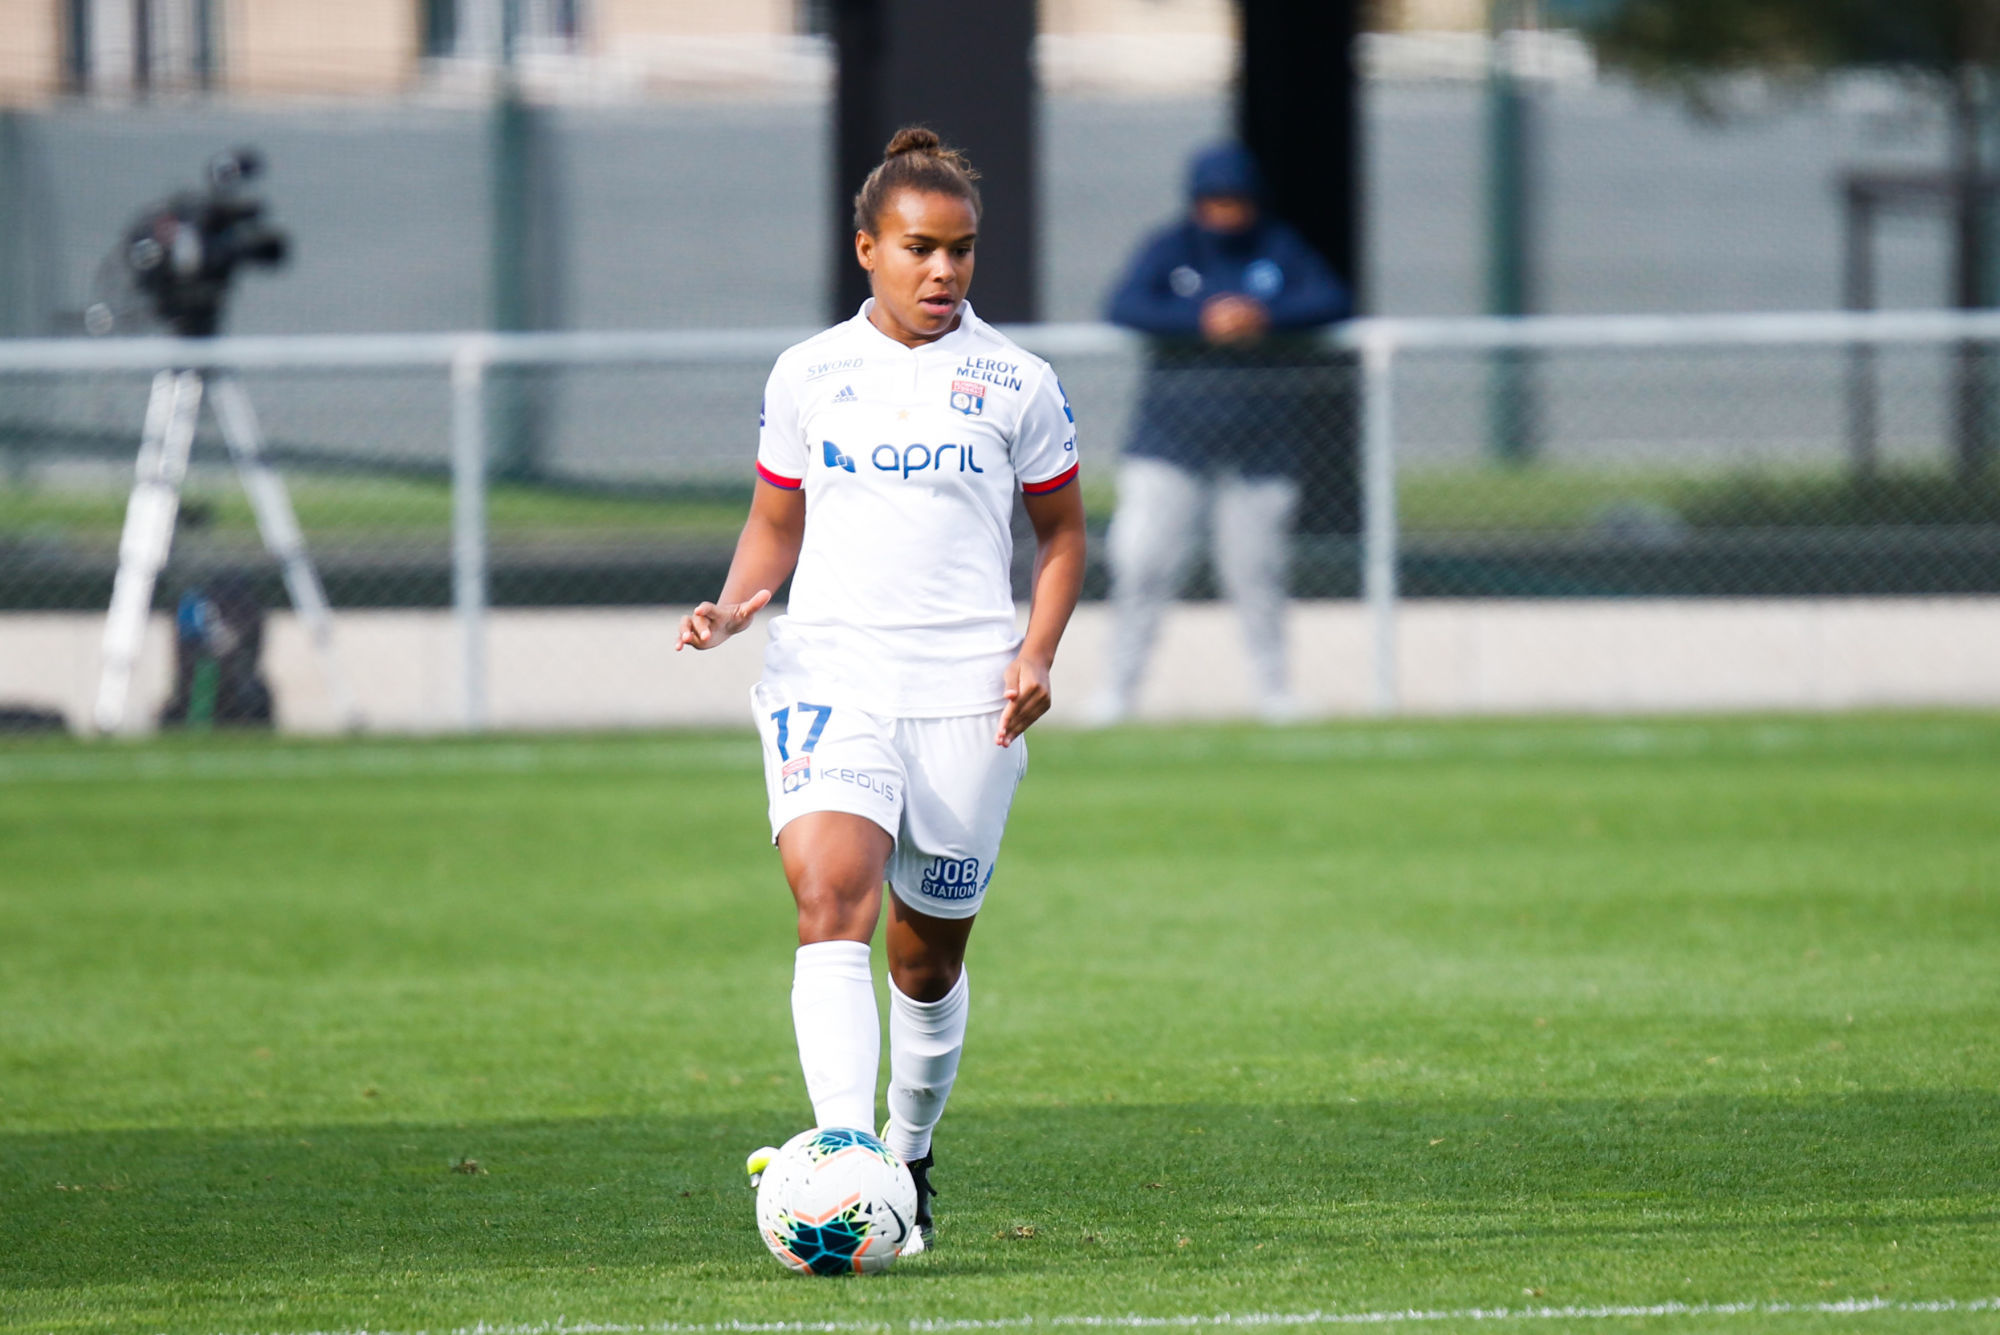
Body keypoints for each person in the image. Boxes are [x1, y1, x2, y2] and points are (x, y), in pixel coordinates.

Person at [676, 127, 1087, 1258]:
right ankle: (846, 1161)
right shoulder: (808, 374)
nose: (942, 272)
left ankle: (906, 1155)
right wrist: (734, 605)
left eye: (959, 251)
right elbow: (775, 521)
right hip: (830, 674)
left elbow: (1059, 537)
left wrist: (1036, 652)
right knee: (831, 902)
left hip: (966, 694)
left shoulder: (1019, 383)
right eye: (918, 249)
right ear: (866, 248)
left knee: (926, 954)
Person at [1086, 142, 1350, 725]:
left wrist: (1264, 317)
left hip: (1260, 445)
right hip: (1171, 441)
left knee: (1257, 573)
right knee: (1143, 566)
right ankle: (1117, 691)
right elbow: (1124, 305)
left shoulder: (1279, 248)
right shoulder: (1170, 249)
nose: (1225, 214)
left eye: (1235, 202)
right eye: (1214, 202)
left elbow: (1331, 299)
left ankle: (1275, 691)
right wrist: (1203, 320)